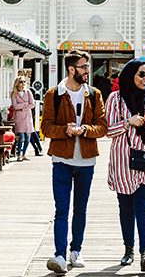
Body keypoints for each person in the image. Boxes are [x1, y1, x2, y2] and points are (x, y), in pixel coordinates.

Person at [41, 50, 108, 274]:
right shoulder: (54, 94)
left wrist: (85, 130)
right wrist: (65, 130)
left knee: (80, 209)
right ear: (71, 69)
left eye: (87, 67)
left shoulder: (94, 94)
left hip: (86, 161)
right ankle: (59, 255)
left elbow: (102, 126)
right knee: (62, 209)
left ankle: (75, 250)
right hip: (61, 159)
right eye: (83, 67)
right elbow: (45, 128)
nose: (87, 71)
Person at [105, 60, 145, 271]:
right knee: (126, 208)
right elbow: (108, 131)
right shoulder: (115, 99)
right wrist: (128, 122)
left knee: (144, 207)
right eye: (141, 74)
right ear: (131, 74)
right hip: (123, 162)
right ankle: (129, 250)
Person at [10, 77, 36, 161]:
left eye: (24, 81)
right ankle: (19, 154)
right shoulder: (14, 94)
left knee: (28, 137)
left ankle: (24, 154)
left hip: (27, 117)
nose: (23, 83)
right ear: (17, 83)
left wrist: (22, 107)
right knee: (21, 136)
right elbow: (15, 106)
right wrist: (25, 104)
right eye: (21, 82)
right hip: (19, 118)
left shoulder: (28, 92)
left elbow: (32, 104)